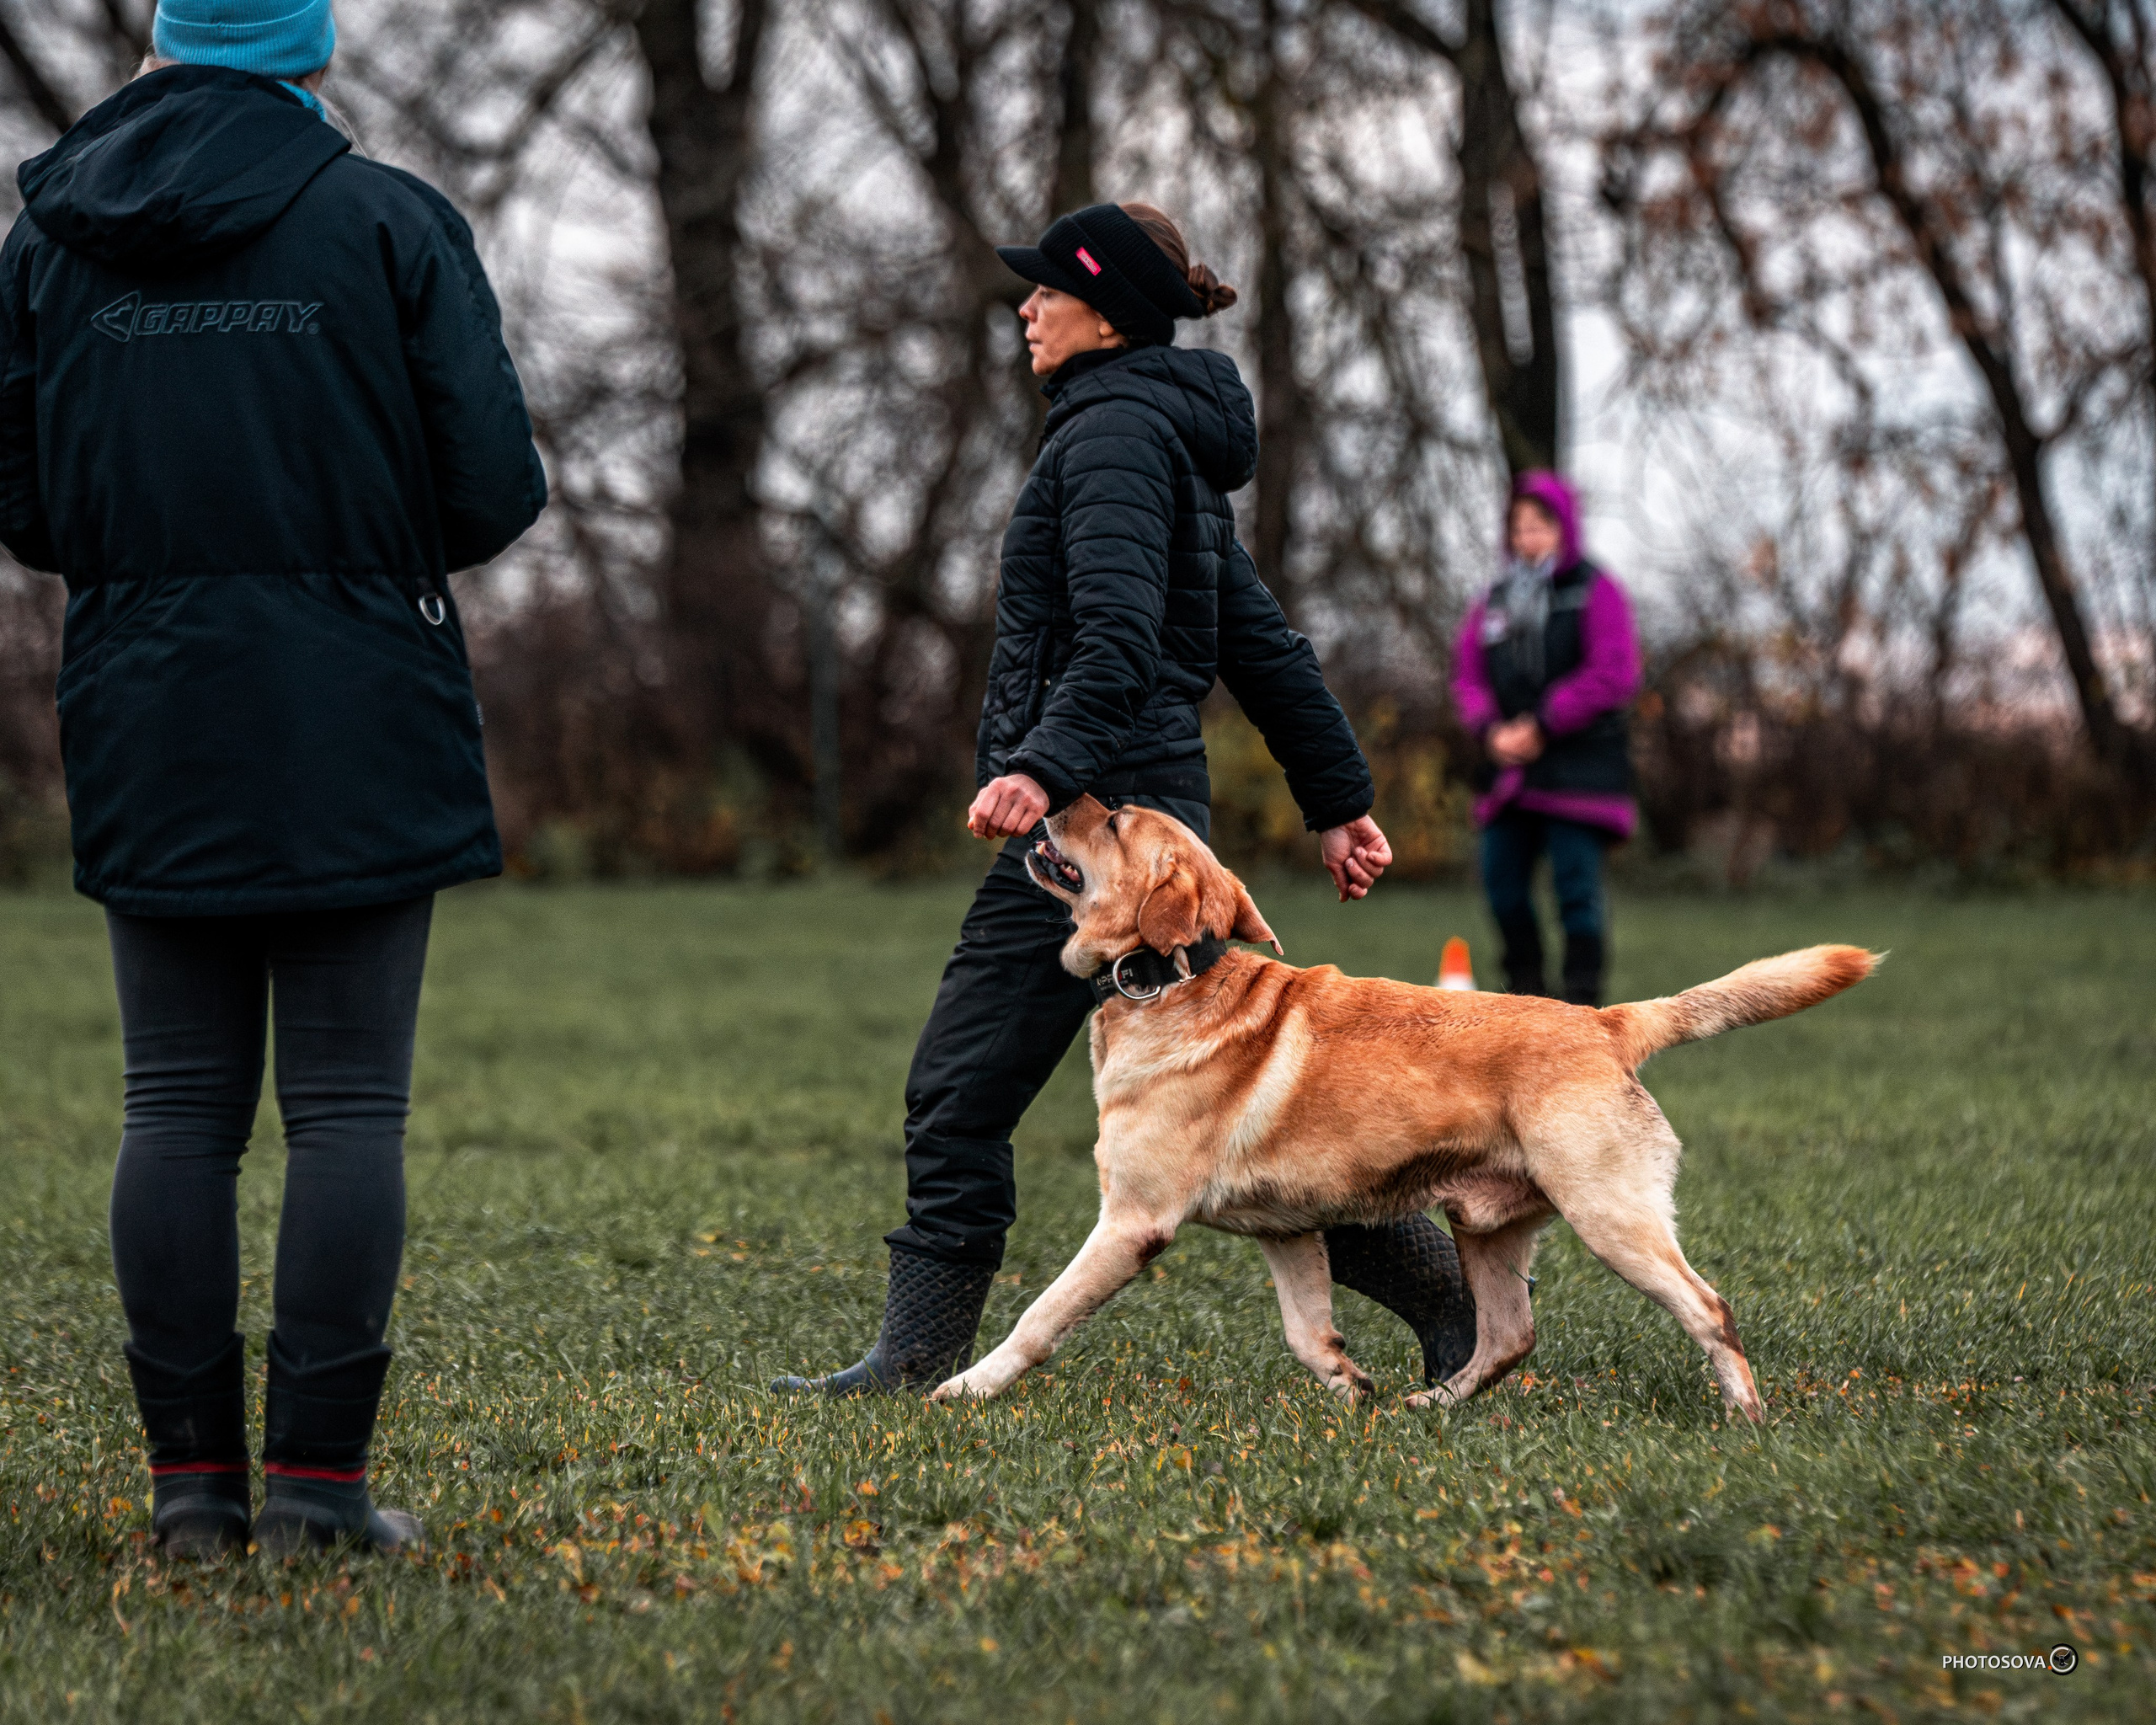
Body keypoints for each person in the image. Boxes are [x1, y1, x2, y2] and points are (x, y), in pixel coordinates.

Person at [0, 0, 547, 1557]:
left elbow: (26, 506)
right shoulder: (389, 222)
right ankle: (317, 1492)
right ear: (307, 58)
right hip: (356, 700)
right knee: (346, 1106)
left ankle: (189, 1497)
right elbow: (495, 486)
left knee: (171, 1103)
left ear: (163, 50)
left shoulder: (47, 243)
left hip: (143, 700)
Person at [776, 201, 1476, 1399]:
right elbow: (1257, 640)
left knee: (960, 1086)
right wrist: (1339, 796)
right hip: (1147, 818)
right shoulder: (1163, 437)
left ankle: (917, 1357)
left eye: (1047, 288)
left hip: (1106, 835)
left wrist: (1042, 773)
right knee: (1245, 1112)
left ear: (1106, 309)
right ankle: (1452, 1310)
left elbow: (1113, 645)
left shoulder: (1107, 440)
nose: (1026, 307)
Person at [1453, 473, 1641, 1006]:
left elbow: (1614, 672)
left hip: (1578, 771)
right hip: (1512, 772)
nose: (1529, 537)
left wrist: (1544, 722)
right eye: (1520, 527)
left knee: (1576, 892)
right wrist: (1491, 730)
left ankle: (1584, 1010)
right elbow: (1466, 677)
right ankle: (1529, 1001)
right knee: (1502, 885)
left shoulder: (1595, 590)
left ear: (1564, 528)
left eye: (1540, 526)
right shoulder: (1491, 601)